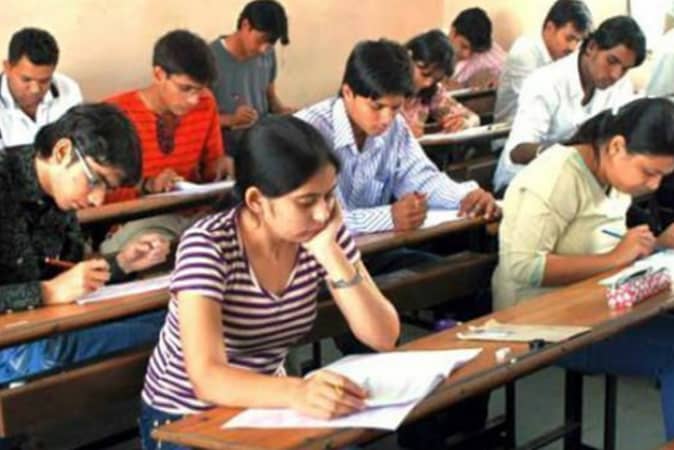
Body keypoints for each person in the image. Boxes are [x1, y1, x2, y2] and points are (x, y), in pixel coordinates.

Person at [139, 115, 400, 450]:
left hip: (268, 406)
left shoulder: (322, 233)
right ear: (256, 201)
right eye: (306, 201)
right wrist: (297, 391)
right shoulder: (208, 244)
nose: (323, 213)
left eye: (329, 196)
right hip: (186, 417)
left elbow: (383, 335)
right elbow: (206, 377)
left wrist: (330, 253)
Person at [492, 97, 674, 439]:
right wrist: (616, 258)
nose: (653, 186)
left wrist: (658, 245)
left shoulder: (612, 174)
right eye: (650, 173)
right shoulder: (555, 176)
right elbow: (523, 266)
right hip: (535, 319)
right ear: (616, 146)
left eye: (662, 176)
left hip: (597, 303)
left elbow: (608, 245)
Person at [0, 103, 170, 386]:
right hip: (15, 342)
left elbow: (68, 272)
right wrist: (48, 292)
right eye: (95, 181)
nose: (98, 199)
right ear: (62, 151)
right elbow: (57, 287)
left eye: (107, 188)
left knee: (173, 315)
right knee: (168, 333)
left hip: (49, 324)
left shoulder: (61, 194)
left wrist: (122, 263)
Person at [296, 39, 498, 236]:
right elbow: (312, 218)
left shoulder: (396, 127)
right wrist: (388, 217)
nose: (387, 119)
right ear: (348, 93)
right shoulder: (306, 131)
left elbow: (421, 178)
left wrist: (464, 195)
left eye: (395, 107)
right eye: (377, 107)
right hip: (321, 255)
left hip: (376, 247)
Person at [103, 30, 227, 253]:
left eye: (200, 90)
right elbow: (101, 193)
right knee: (158, 248)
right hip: (137, 222)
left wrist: (221, 169)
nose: (193, 100)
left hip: (191, 216)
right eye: (185, 88)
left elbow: (211, 168)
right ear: (159, 74)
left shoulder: (206, 104)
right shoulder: (115, 115)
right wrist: (149, 186)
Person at [493, 15, 645, 194]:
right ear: (591, 47)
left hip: (580, 182)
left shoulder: (620, 85)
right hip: (524, 182)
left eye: (625, 68)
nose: (616, 75)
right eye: (611, 61)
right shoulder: (544, 82)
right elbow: (518, 151)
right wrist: (572, 154)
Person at [211, 0, 294, 158]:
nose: (264, 49)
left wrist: (283, 112)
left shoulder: (267, 53)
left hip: (261, 137)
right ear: (245, 25)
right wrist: (232, 120)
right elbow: (195, 120)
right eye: (261, 40)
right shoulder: (210, 58)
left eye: (270, 44)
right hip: (226, 145)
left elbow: (270, 98)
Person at [494, 0, 593, 123]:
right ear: (550, 28)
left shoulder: (565, 54)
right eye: (569, 38)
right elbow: (534, 107)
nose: (573, 47)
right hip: (513, 129)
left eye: (578, 41)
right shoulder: (524, 53)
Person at [0, 27, 82, 149]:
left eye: (44, 81)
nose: (35, 89)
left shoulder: (68, 90)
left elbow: (79, 143)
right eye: (26, 79)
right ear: (7, 68)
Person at [401, 29, 480, 138]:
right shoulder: (385, 85)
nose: (428, 83)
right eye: (424, 74)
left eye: (436, 79)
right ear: (409, 59)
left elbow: (473, 117)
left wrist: (464, 122)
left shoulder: (432, 91)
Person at [447, 7, 506, 89]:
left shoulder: (484, 48)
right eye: (464, 46)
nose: (467, 55)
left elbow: (513, 70)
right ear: (453, 33)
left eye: (474, 50)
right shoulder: (431, 47)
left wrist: (500, 81)